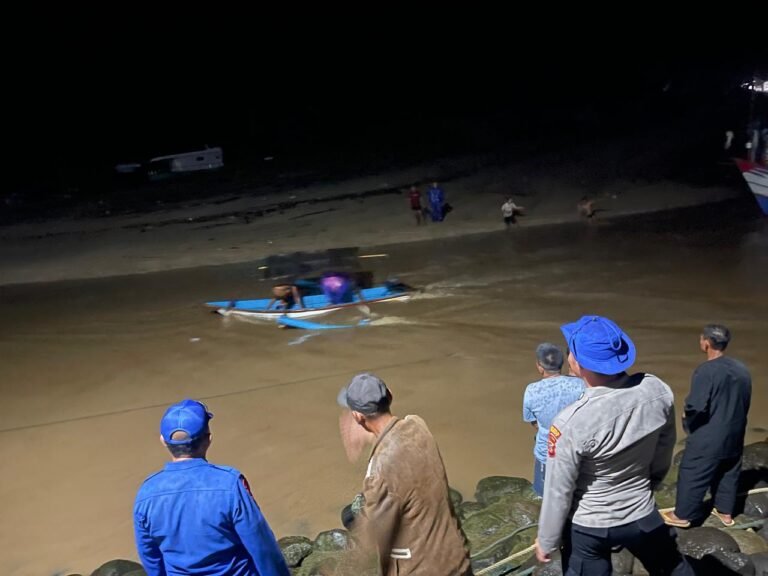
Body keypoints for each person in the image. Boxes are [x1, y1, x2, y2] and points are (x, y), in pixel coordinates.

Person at [535, 316, 692, 576]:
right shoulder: (657, 390)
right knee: (673, 568)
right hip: (642, 511)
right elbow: (664, 449)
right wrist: (649, 484)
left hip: (590, 525)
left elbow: (558, 490)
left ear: (578, 362)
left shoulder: (570, 422)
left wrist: (547, 539)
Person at [134, 399, 290, 576]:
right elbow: (261, 545)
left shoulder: (146, 493)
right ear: (208, 439)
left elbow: (150, 556)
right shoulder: (229, 484)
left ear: (163, 441)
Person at [337, 373, 472, 575]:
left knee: (350, 517)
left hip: (424, 570)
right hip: (457, 558)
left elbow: (372, 536)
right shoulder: (418, 426)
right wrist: (372, 436)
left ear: (357, 417)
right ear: (390, 395)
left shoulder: (380, 472)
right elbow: (398, 450)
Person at [661, 324, 752, 529]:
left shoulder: (706, 370)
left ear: (707, 343)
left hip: (711, 434)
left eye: (702, 338)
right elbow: (745, 400)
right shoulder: (742, 368)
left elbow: (696, 405)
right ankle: (725, 512)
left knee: (693, 470)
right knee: (728, 469)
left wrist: (686, 417)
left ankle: (682, 515)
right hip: (735, 432)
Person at [522, 343, 585, 497]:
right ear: (562, 364)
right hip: (574, 448)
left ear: (539, 366)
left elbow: (532, 421)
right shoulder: (580, 385)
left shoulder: (532, 390)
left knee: (543, 493)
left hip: (546, 450)